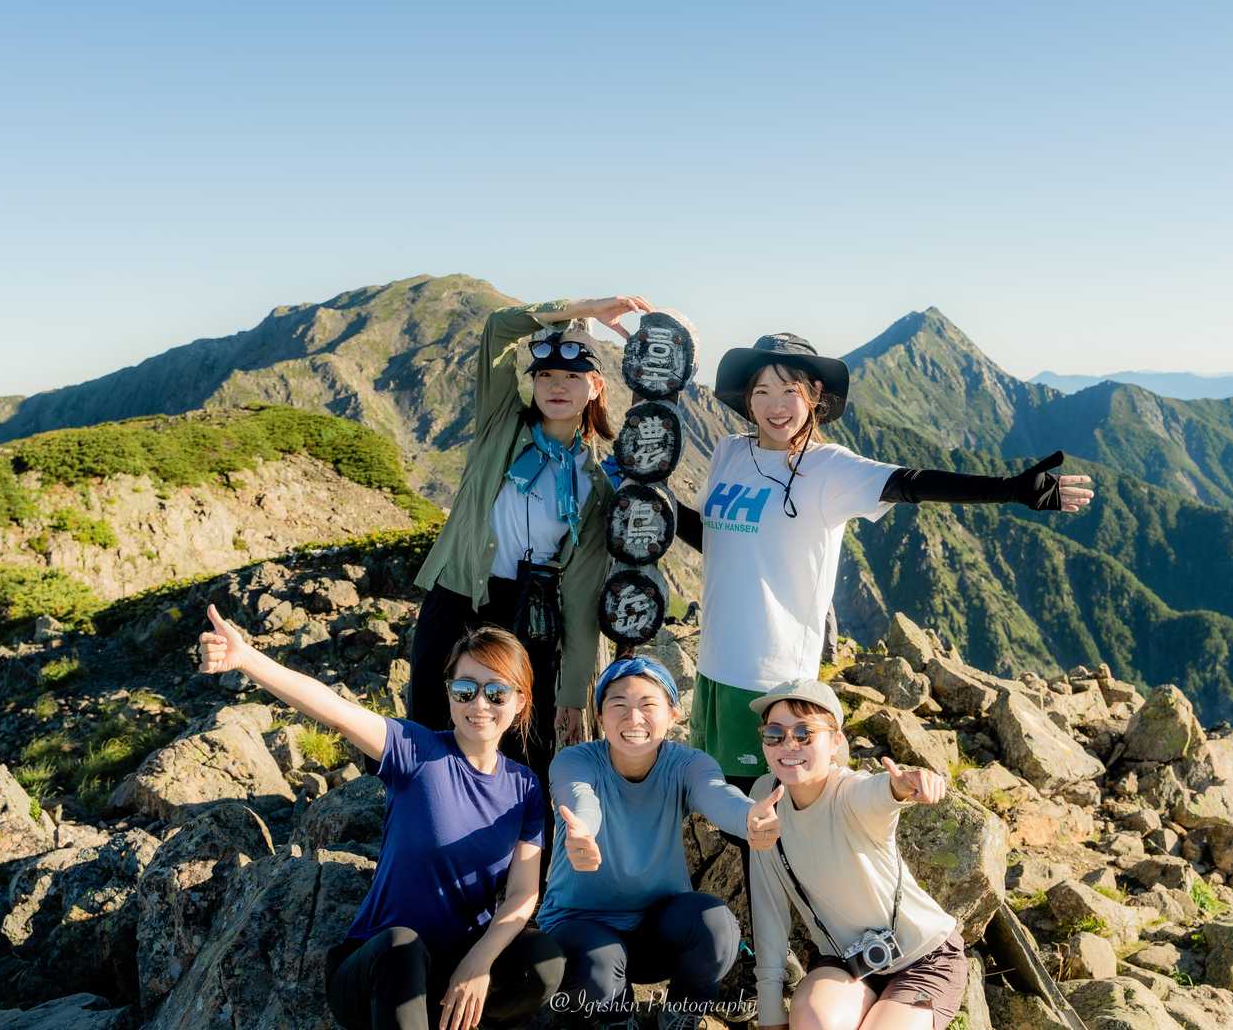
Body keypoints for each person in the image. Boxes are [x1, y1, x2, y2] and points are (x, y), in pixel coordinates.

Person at [684, 332, 1095, 788]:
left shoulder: (828, 468)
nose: (774, 406)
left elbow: (911, 483)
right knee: (712, 798)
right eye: (762, 391)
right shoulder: (729, 453)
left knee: (762, 808)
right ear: (747, 397)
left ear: (814, 394)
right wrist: (650, 501)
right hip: (712, 666)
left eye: (788, 391)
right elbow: (715, 537)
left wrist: (1010, 490)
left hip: (771, 675)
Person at [198, 610, 563, 1030]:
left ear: (520, 701)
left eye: (496, 692)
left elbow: (522, 893)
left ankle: (457, 1015)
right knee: (402, 946)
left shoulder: (524, 787)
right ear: (449, 694)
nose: (479, 704)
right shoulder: (415, 750)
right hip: (379, 969)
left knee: (543, 962)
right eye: (465, 689)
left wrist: (479, 962)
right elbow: (334, 710)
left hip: (458, 962)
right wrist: (246, 658)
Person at [410, 294, 653, 769]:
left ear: (596, 386)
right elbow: (498, 329)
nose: (556, 386)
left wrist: (572, 694)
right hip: (458, 594)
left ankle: (518, 819)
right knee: (433, 720)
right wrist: (583, 309)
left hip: (528, 613)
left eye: (572, 376)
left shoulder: (596, 485)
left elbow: (581, 593)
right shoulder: (501, 425)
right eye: (545, 375)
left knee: (521, 741)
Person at [537, 656, 784, 1029]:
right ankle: (617, 1020)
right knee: (598, 968)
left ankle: (681, 1014)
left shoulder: (688, 765)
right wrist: (582, 831)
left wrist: (749, 817)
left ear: (673, 715)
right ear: (600, 715)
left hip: (658, 928)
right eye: (618, 705)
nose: (633, 718)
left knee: (716, 926)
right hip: (582, 924)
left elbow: (717, 794)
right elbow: (580, 798)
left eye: (648, 705)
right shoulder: (574, 761)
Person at [746, 679, 966, 1030]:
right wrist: (770, 1014)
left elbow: (877, 793)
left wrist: (904, 785)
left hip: (924, 959)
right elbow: (768, 909)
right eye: (774, 733)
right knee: (813, 1020)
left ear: (835, 742)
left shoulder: (848, 792)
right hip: (848, 960)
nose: (788, 743)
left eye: (804, 733)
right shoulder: (765, 797)